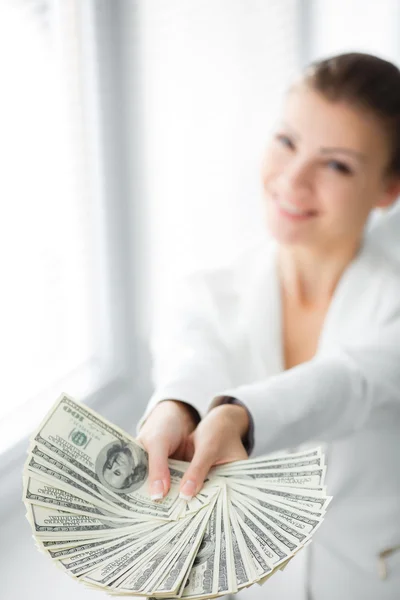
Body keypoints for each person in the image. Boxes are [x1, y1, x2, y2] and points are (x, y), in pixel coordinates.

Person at [136, 52, 400, 599]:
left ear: (388, 189)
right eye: (286, 141)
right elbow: (192, 359)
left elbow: (350, 383)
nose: (293, 179)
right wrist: (176, 408)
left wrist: (241, 416)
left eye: (337, 164)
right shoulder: (206, 289)